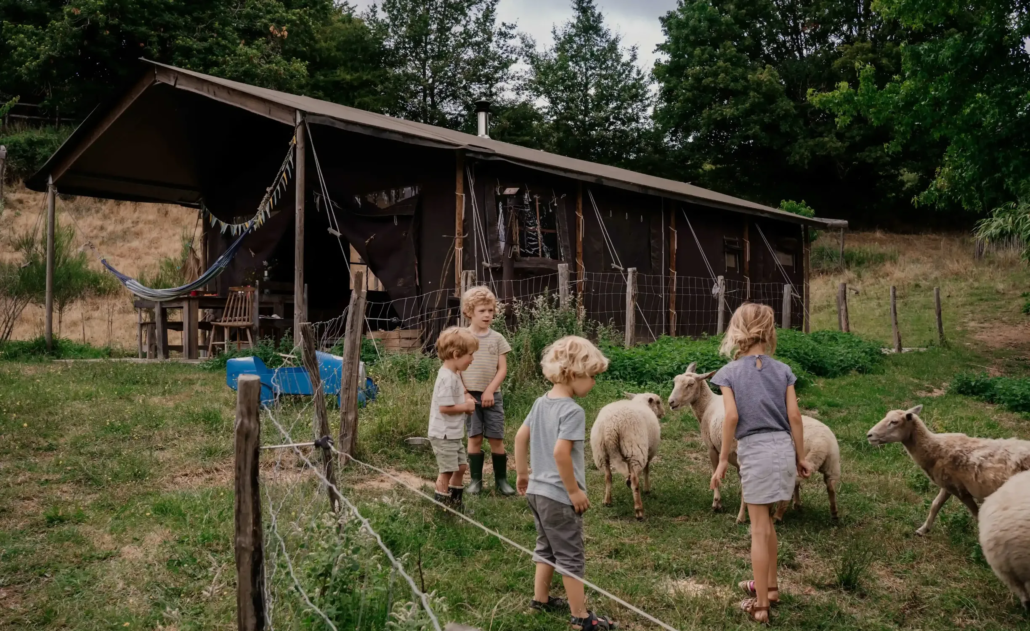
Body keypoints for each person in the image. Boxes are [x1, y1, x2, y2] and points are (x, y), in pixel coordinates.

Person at [710, 303, 812, 624]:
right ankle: (770, 586)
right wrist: (801, 455)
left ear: (736, 332)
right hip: (782, 447)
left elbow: (731, 417)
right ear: (769, 331)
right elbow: (795, 416)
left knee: (757, 529)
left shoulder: (729, 373)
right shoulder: (783, 370)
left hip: (754, 449)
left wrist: (723, 458)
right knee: (767, 524)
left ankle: (761, 606)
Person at [515, 336, 617, 630]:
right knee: (571, 555)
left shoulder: (539, 402)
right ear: (575, 373)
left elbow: (521, 437)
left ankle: (540, 600)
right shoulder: (573, 411)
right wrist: (574, 491)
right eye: (593, 377)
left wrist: (523, 473)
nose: (594, 383)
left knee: (545, 547)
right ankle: (581, 618)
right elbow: (561, 453)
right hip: (559, 496)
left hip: (536, 491)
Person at [460, 286, 516, 495]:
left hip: (493, 396)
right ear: (469, 312)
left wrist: (490, 391)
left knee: (496, 438)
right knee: (474, 438)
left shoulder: (497, 338)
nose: (487, 315)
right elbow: (455, 369)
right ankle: (476, 481)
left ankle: (501, 481)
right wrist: (465, 393)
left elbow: (502, 369)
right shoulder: (462, 336)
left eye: (490, 311)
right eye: (482, 311)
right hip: (470, 397)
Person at [428, 327, 478, 510]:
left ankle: (456, 503)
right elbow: (444, 408)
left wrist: (466, 399)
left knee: (461, 467)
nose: (472, 360)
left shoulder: (454, 374)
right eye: (470, 355)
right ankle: (442, 507)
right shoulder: (446, 379)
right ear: (457, 354)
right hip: (444, 435)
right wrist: (465, 407)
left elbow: (460, 394)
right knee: (447, 470)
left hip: (453, 433)